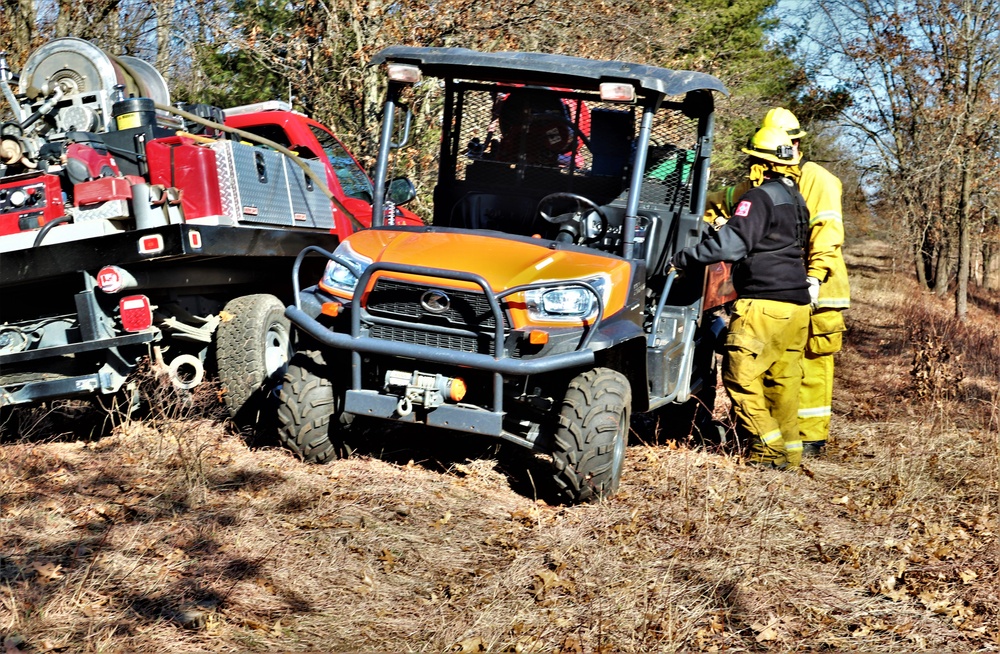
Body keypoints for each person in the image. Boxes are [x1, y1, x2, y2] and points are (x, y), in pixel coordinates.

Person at [705, 108, 850, 457]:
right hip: (783, 290)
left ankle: (808, 439)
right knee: (780, 370)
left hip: (820, 290)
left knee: (810, 368)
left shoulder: (817, 178)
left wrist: (814, 277)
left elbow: (827, 234)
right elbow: (718, 201)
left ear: (798, 143)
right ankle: (782, 444)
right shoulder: (761, 185)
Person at [670, 126, 811, 469]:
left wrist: (684, 257)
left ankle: (766, 449)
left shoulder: (759, 197)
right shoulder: (797, 200)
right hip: (797, 308)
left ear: (759, 163)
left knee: (739, 375)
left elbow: (731, 245)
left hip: (764, 305)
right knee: (784, 383)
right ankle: (790, 455)